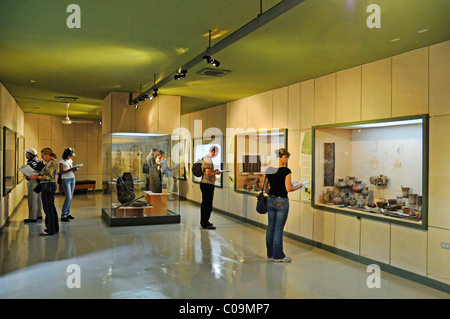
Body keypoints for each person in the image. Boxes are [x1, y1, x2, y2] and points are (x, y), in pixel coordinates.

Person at [263, 148, 302, 262]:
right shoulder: (286, 171)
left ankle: (270, 253)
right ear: (283, 157)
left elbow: (265, 187)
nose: (287, 160)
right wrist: (298, 187)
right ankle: (278, 256)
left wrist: (271, 193)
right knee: (278, 229)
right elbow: (288, 188)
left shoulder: (269, 170)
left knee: (270, 227)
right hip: (282, 202)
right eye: (287, 158)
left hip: (270, 200)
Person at [29, 148, 59, 236]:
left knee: (48, 208)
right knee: (51, 207)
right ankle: (54, 228)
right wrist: (38, 172)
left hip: (48, 186)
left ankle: (50, 229)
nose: (42, 158)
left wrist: (36, 177)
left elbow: (48, 177)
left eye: (43, 155)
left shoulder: (51, 163)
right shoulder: (49, 163)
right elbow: (45, 173)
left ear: (47, 154)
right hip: (48, 186)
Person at [200, 146, 222, 230]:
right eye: (216, 153)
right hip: (207, 184)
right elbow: (208, 174)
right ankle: (205, 223)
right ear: (213, 152)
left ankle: (205, 221)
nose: (216, 155)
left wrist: (214, 171)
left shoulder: (205, 158)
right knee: (207, 204)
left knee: (205, 204)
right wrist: (216, 173)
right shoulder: (208, 160)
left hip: (204, 184)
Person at [23, 148, 43, 223]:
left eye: (27, 153)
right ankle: (38, 215)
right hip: (38, 181)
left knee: (32, 199)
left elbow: (30, 174)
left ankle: (32, 217)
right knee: (38, 199)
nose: (26, 155)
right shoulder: (37, 161)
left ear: (31, 154)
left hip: (33, 181)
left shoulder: (30, 162)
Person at [59, 147, 79, 222]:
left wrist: (75, 169)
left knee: (70, 197)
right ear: (67, 154)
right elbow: (61, 172)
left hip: (72, 179)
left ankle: (67, 213)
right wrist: (71, 169)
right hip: (66, 180)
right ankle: (63, 215)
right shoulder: (62, 161)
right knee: (68, 197)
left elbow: (71, 170)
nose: (71, 157)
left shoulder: (70, 160)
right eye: (70, 155)